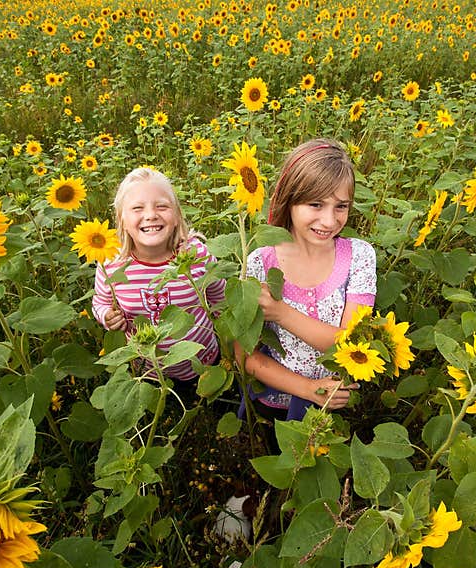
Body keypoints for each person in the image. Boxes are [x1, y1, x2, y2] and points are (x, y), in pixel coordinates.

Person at [237, 137, 377, 431]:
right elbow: (243, 355)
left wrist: (281, 313)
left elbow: (351, 342)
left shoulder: (359, 257)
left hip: (336, 400)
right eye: (315, 204)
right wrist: (307, 388)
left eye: (341, 206)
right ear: (290, 200)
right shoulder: (260, 263)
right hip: (273, 399)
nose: (329, 220)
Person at [92, 166, 226, 384]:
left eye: (162, 206)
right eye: (137, 208)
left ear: (176, 216)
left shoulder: (195, 255)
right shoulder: (111, 264)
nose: (150, 215)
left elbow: (219, 298)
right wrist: (107, 316)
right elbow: (100, 301)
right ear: (122, 220)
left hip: (202, 363)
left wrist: (228, 340)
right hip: (148, 369)